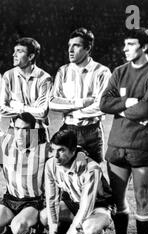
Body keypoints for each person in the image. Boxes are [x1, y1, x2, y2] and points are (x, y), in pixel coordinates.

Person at [100, 28, 148, 234]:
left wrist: (123, 108)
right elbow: (103, 103)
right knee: (118, 200)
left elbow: (147, 110)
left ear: (145, 47)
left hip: (142, 146)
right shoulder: (119, 71)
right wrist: (130, 103)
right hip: (117, 145)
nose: (125, 49)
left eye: (130, 44)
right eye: (125, 44)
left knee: (142, 198)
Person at [41, 130, 113, 234]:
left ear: (73, 150)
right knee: (45, 216)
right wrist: (52, 233)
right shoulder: (51, 164)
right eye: (53, 150)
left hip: (98, 206)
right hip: (74, 203)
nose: (55, 155)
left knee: (90, 229)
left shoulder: (91, 168)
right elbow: (52, 200)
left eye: (61, 150)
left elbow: (86, 206)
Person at [0, 112, 48, 234]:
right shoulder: (5, 142)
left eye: (25, 129)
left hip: (33, 202)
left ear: (33, 131)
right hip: (10, 200)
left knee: (18, 226)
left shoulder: (43, 149)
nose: (20, 133)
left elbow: (66, 150)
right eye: (17, 128)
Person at [49, 28, 111, 163]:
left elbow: (102, 105)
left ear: (88, 49)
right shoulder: (63, 71)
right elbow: (52, 101)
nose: (70, 50)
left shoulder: (102, 72)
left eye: (76, 46)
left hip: (92, 131)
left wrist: (76, 113)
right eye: (69, 46)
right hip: (68, 128)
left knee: (93, 174)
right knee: (65, 173)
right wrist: (81, 103)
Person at [0, 37, 52, 136]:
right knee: (9, 151)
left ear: (31, 56)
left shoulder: (44, 78)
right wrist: (31, 109)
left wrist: (16, 105)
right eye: (14, 51)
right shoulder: (8, 75)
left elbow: (42, 112)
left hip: (37, 131)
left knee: (38, 152)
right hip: (14, 129)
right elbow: (2, 109)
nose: (14, 55)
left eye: (19, 51)